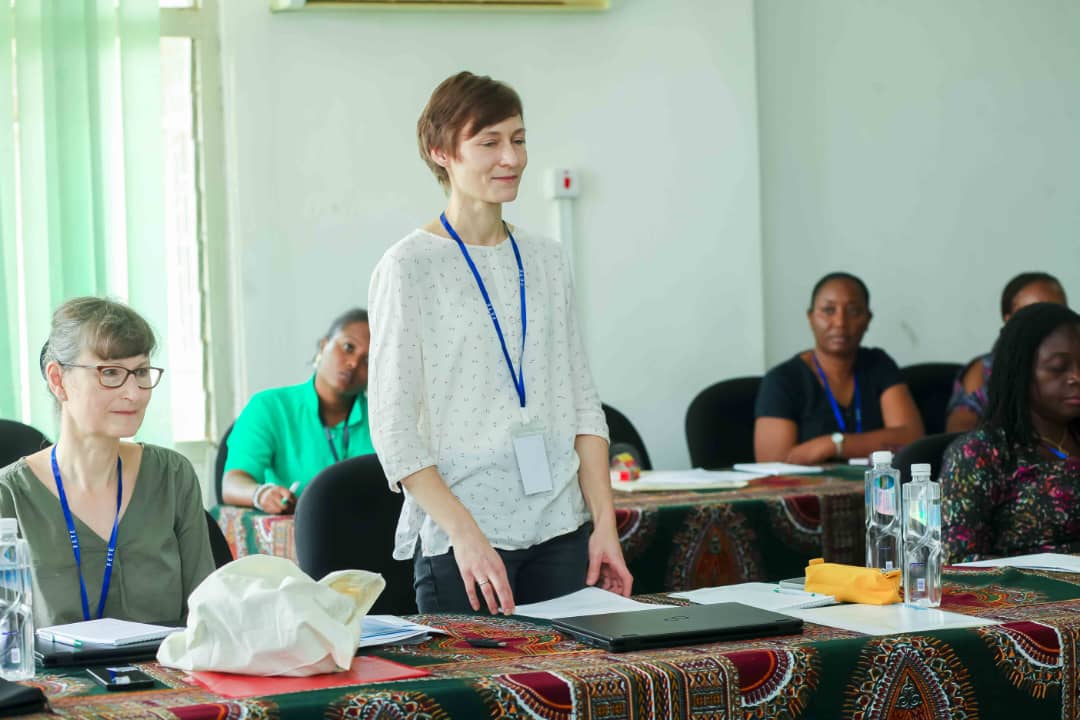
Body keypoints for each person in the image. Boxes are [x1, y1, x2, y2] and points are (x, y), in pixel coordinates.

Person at [368, 71, 632, 615]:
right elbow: (393, 430)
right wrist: (464, 534)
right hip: (465, 539)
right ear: (442, 152)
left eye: (518, 139)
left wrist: (604, 525)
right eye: (489, 142)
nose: (510, 157)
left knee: (573, 692)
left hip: (561, 529)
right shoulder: (409, 266)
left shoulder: (547, 258)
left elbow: (583, 405)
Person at [0, 297, 214, 627]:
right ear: (58, 380)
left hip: (169, 676)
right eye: (110, 373)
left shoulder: (172, 476)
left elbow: (208, 615)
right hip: (49, 679)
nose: (135, 393)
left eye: (141, 372)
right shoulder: (9, 496)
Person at [941, 302, 1080, 563]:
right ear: (1021, 371)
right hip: (1029, 596)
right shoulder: (981, 453)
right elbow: (958, 562)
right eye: (1058, 368)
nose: (1077, 377)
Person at [754, 272, 924, 463]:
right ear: (810, 318)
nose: (840, 323)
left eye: (853, 311)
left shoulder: (879, 364)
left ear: (867, 319)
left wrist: (832, 445)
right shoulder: (783, 379)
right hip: (809, 491)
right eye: (828, 310)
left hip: (877, 486)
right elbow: (774, 462)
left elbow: (911, 438)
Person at [221, 308, 374, 514]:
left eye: (368, 360)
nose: (353, 363)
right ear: (323, 346)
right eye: (348, 347)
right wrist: (261, 494)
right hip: (298, 531)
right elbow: (232, 483)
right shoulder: (270, 407)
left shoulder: (384, 419)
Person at [945, 272, 1068, 433]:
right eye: (1034, 314)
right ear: (1009, 320)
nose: (1048, 323)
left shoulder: (1074, 365)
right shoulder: (986, 369)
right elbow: (960, 429)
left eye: (1058, 312)